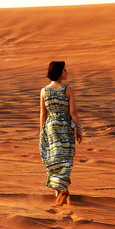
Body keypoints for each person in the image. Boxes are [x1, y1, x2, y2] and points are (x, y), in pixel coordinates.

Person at [39, 61, 83, 204]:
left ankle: (58, 190)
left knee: (54, 157)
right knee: (65, 157)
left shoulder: (44, 91)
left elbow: (43, 113)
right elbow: (73, 111)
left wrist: (42, 132)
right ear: (59, 72)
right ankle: (62, 189)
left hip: (50, 127)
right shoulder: (68, 89)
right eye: (65, 70)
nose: (67, 72)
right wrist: (79, 128)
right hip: (64, 127)